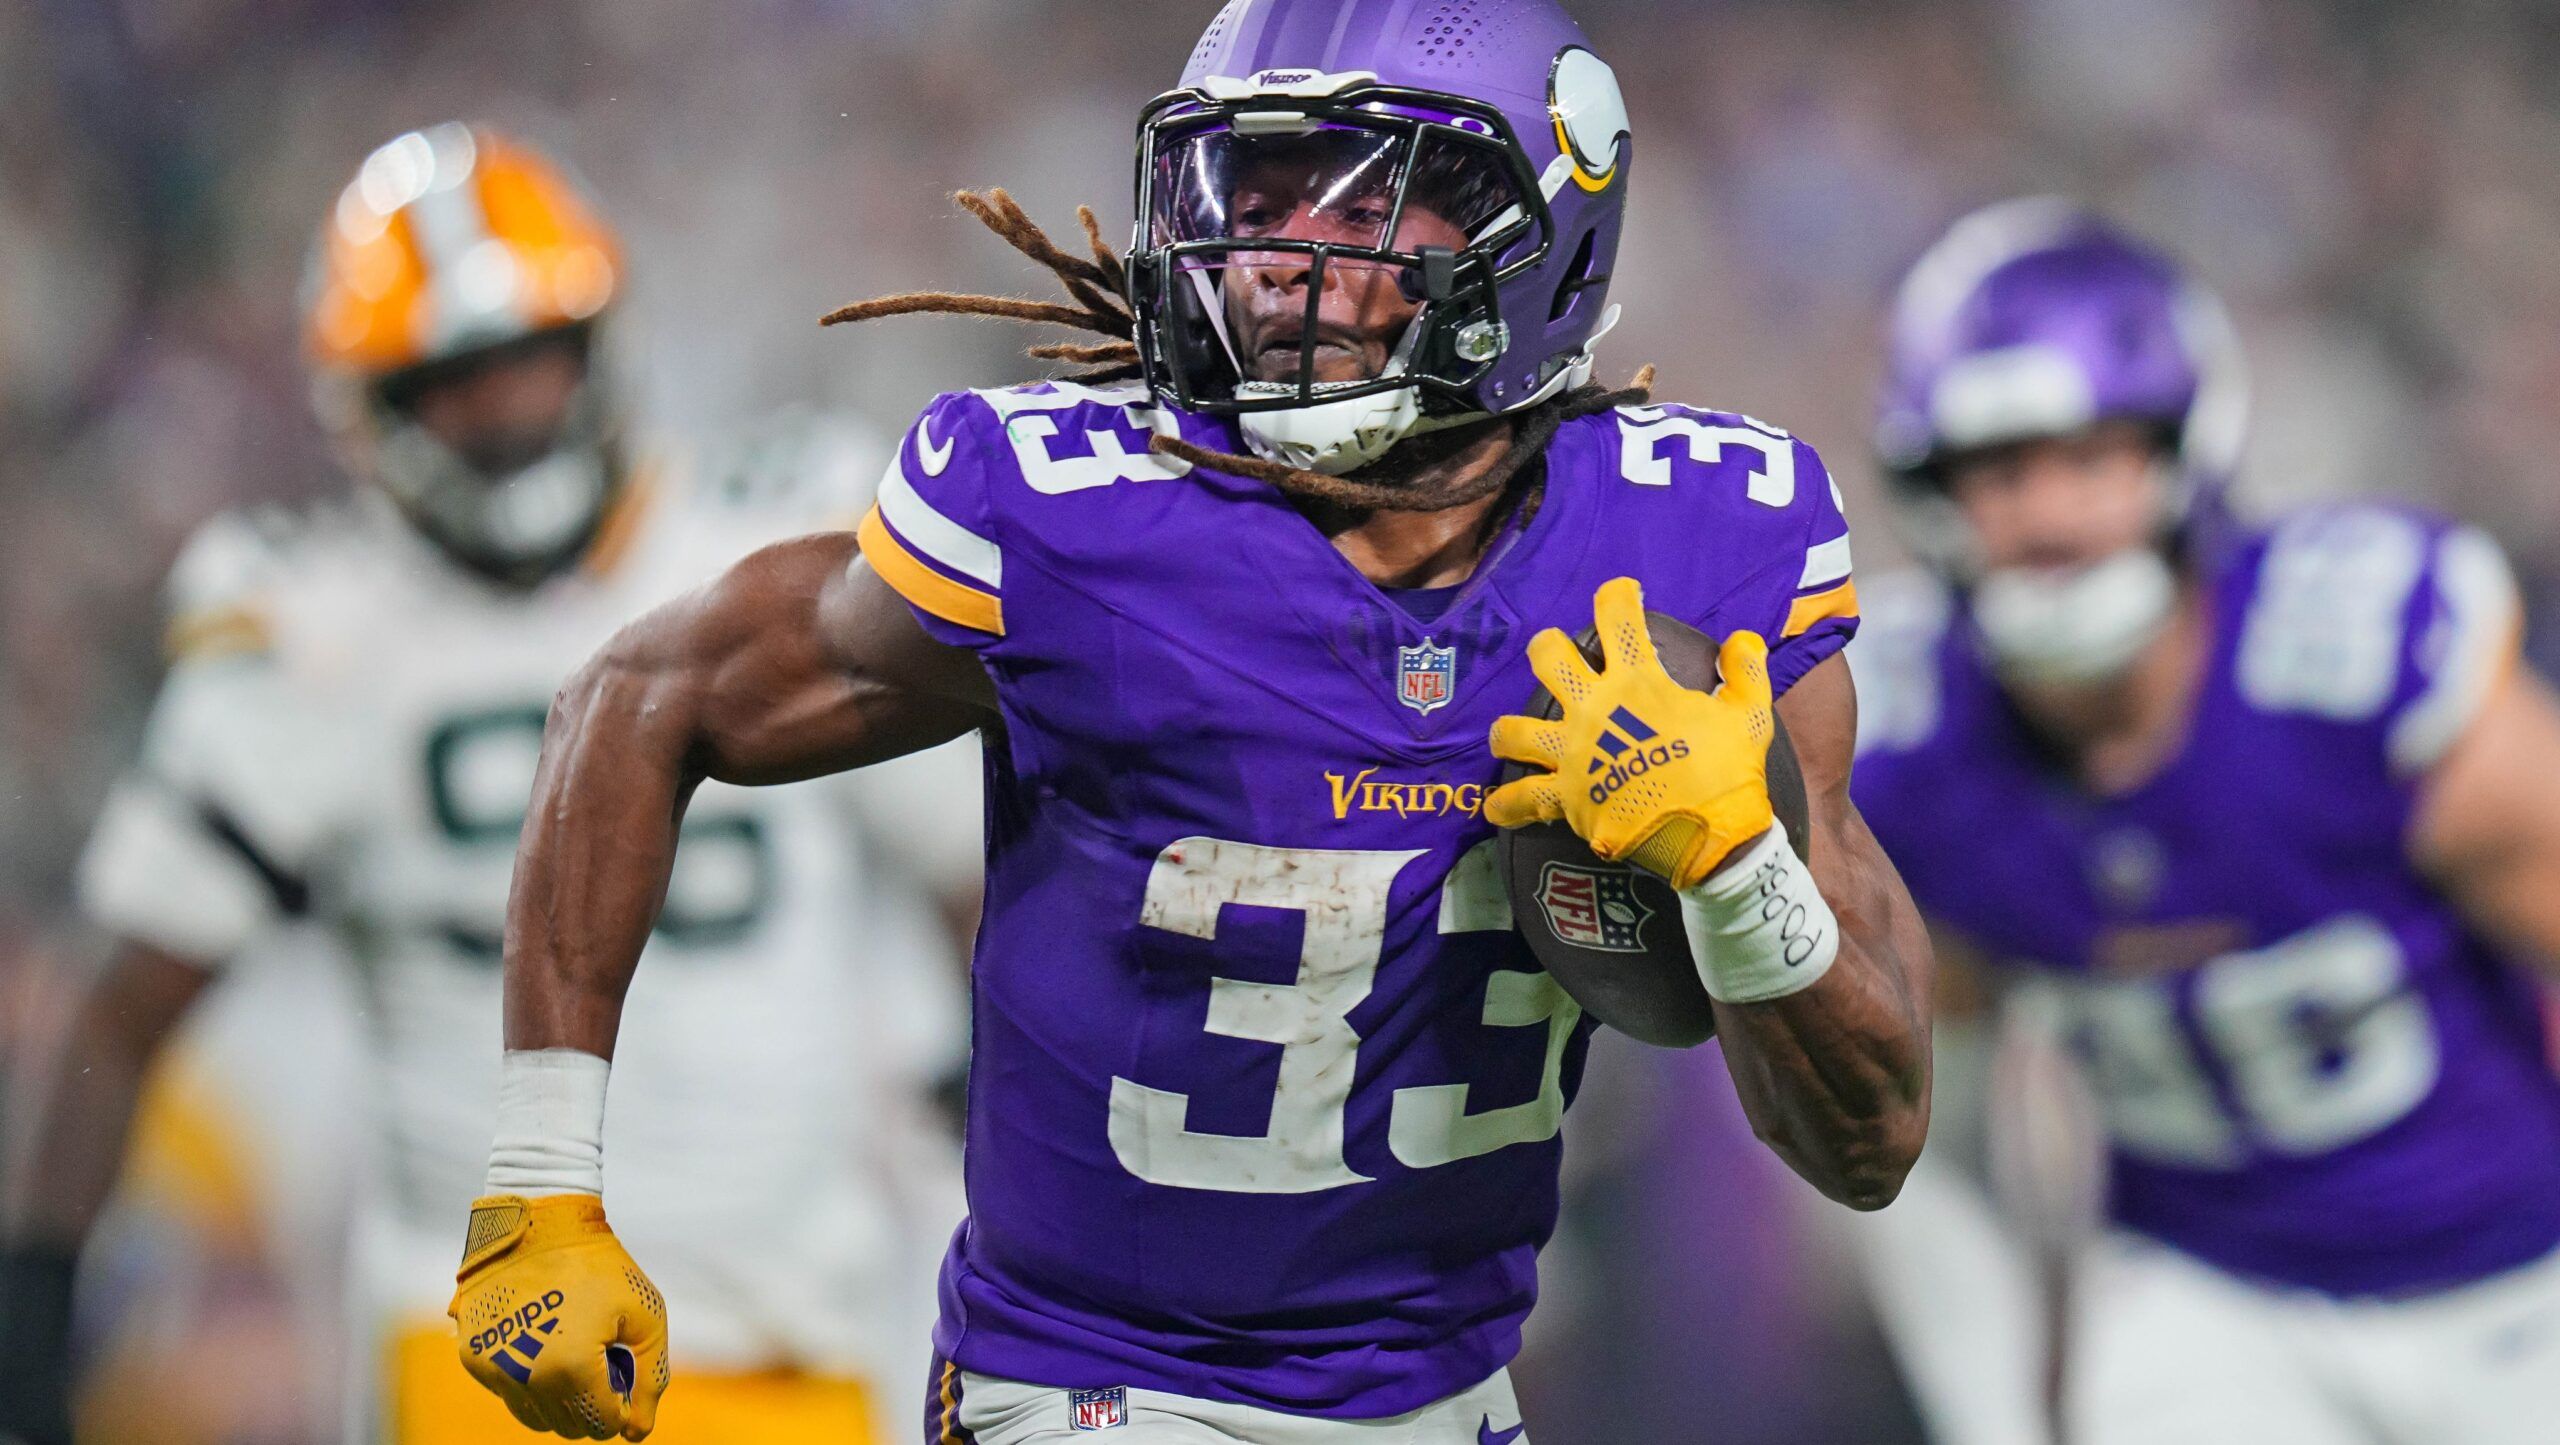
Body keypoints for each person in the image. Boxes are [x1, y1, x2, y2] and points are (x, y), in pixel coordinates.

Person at [443, 4, 1934, 1441]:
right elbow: (642, 697)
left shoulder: (1701, 546)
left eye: (1369, 212)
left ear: (1545, 230)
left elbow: (1868, 1143)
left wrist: (1744, 872)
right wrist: (539, 1181)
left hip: (1450, 1396)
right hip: (1098, 1384)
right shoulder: (1072, 519)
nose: (1289, 260)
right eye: (1257, 193)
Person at [0, 123, 969, 1445]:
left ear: (602, 342)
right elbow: (124, 1001)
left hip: (800, 1324)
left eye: (530, 355)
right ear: (368, 407)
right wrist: (34, 1296)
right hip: (481, 1351)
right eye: (455, 379)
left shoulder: (764, 528)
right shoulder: (309, 627)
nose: (507, 408)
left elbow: (971, 865)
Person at [1849, 198, 2560, 1445]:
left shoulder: (2352, 655)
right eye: (1999, 470)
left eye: (2089, 457)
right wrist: (1996, 1398)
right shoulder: (1913, 745)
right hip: (2212, 1305)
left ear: (2183, 450)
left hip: (2513, 1277)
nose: (2049, 518)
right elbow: (1910, 1130)